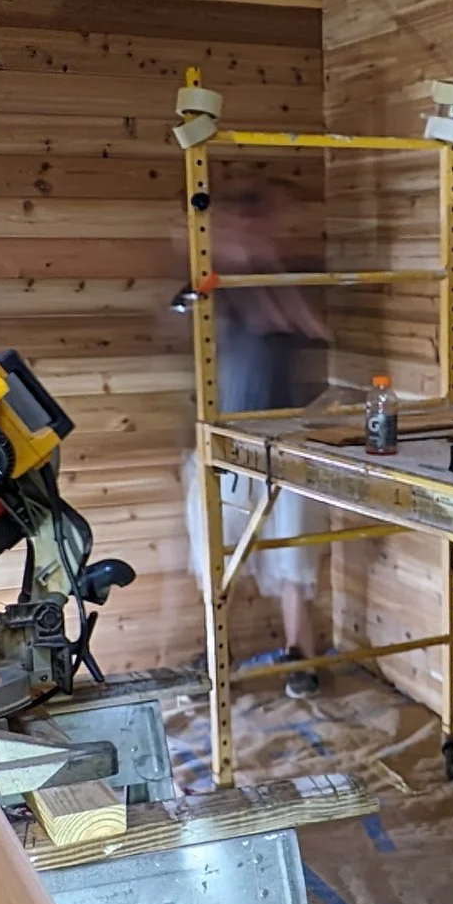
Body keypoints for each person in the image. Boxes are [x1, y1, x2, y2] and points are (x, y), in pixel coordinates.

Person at [184, 178, 325, 675]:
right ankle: (215, 662)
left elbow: (309, 327)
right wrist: (243, 263)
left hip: (285, 439)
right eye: (245, 224)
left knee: (295, 561)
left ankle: (301, 660)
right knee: (215, 560)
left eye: (262, 224)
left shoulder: (277, 281)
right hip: (219, 442)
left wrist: (266, 265)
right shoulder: (207, 284)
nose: (253, 232)